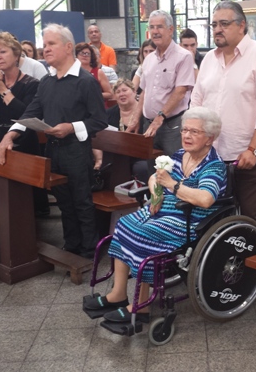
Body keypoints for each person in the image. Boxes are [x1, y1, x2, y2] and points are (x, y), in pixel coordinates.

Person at [83, 107, 227, 322]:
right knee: (124, 225)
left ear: (210, 138)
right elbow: (155, 177)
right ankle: (118, 293)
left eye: (194, 132)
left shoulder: (213, 166)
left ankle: (141, 306)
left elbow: (205, 199)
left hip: (188, 219)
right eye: (185, 130)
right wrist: (156, 193)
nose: (186, 135)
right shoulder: (180, 155)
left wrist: (172, 185)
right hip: (164, 209)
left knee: (142, 233)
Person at [192, 0, 256, 296]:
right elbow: (197, 101)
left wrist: (254, 149)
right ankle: (219, 270)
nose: (217, 29)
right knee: (215, 215)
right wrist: (194, 141)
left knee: (253, 215)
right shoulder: (209, 59)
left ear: (242, 25)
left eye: (224, 24)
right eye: (214, 24)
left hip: (248, 151)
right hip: (213, 154)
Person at [0, 23, 108, 259]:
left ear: (68, 47)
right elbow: (31, 111)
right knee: (64, 202)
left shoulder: (85, 81)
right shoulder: (47, 82)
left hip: (77, 150)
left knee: (81, 202)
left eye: (51, 44)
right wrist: (10, 135)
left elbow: (99, 120)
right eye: (44, 44)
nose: (45, 49)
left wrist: (71, 127)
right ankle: (72, 246)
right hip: (53, 150)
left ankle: (89, 252)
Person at [0, 32, 44, 235]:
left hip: (22, 139)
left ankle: (25, 237)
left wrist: (4, 90)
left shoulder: (31, 83)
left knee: (22, 191)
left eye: (3, 52)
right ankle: (0, 237)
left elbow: (25, 113)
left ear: (16, 55)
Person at [127, 10, 194, 171]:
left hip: (172, 126)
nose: (155, 31)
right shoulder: (149, 59)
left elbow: (180, 91)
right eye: (152, 27)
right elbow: (145, 91)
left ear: (171, 29)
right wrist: (136, 118)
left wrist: (159, 118)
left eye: (159, 27)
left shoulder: (183, 56)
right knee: (153, 172)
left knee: (174, 171)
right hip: (149, 126)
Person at [95, 79, 148, 183]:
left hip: (140, 156)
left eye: (124, 90)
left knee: (142, 168)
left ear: (134, 92)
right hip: (115, 156)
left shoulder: (146, 113)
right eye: (118, 92)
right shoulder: (108, 114)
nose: (121, 94)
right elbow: (97, 137)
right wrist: (99, 159)